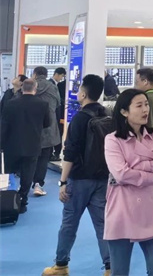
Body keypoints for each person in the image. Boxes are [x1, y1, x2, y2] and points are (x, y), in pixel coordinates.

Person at [43, 75, 110, 276]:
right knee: (103, 225)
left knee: (69, 223)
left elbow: (70, 152)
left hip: (79, 179)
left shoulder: (80, 118)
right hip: (103, 178)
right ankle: (111, 267)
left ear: (83, 94)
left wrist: (63, 181)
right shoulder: (107, 116)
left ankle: (61, 265)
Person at [104, 88, 153, 276]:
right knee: (119, 271)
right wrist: (151, 174)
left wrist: (140, 166)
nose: (145, 110)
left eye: (147, 104)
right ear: (124, 111)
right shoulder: (113, 140)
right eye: (139, 105)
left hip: (151, 210)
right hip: (122, 210)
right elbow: (121, 174)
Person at [0, 78, 50, 213]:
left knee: (8, 173)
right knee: (28, 174)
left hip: (12, 145)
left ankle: (7, 200)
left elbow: (4, 126)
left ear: (22, 88)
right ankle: (22, 201)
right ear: (35, 88)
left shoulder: (10, 103)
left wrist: (1, 144)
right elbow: (47, 123)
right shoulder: (43, 104)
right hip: (32, 145)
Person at [33, 66, 61, 197]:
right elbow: (58, 104)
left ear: (35, 74)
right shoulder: (53, 87)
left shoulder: (31, 86)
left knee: (31, 157)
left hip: (32, 126)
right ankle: (38, 184)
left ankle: (25, 183)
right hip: (49, 127)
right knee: (44, 157)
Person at [135, 68, 153, 135]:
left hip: (147, 135)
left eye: (137, 82)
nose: (136, 85)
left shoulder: (144, 98)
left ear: (145, 81)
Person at [51, 67, 67, 161]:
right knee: (57, 133)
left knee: (58, 133)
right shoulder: (52, 85)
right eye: (61, 76)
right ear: (57, 74)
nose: (61, 78)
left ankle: (56, 153)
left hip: (59, 113)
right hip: (56, 113)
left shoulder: (58, 85)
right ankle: (55, 153)